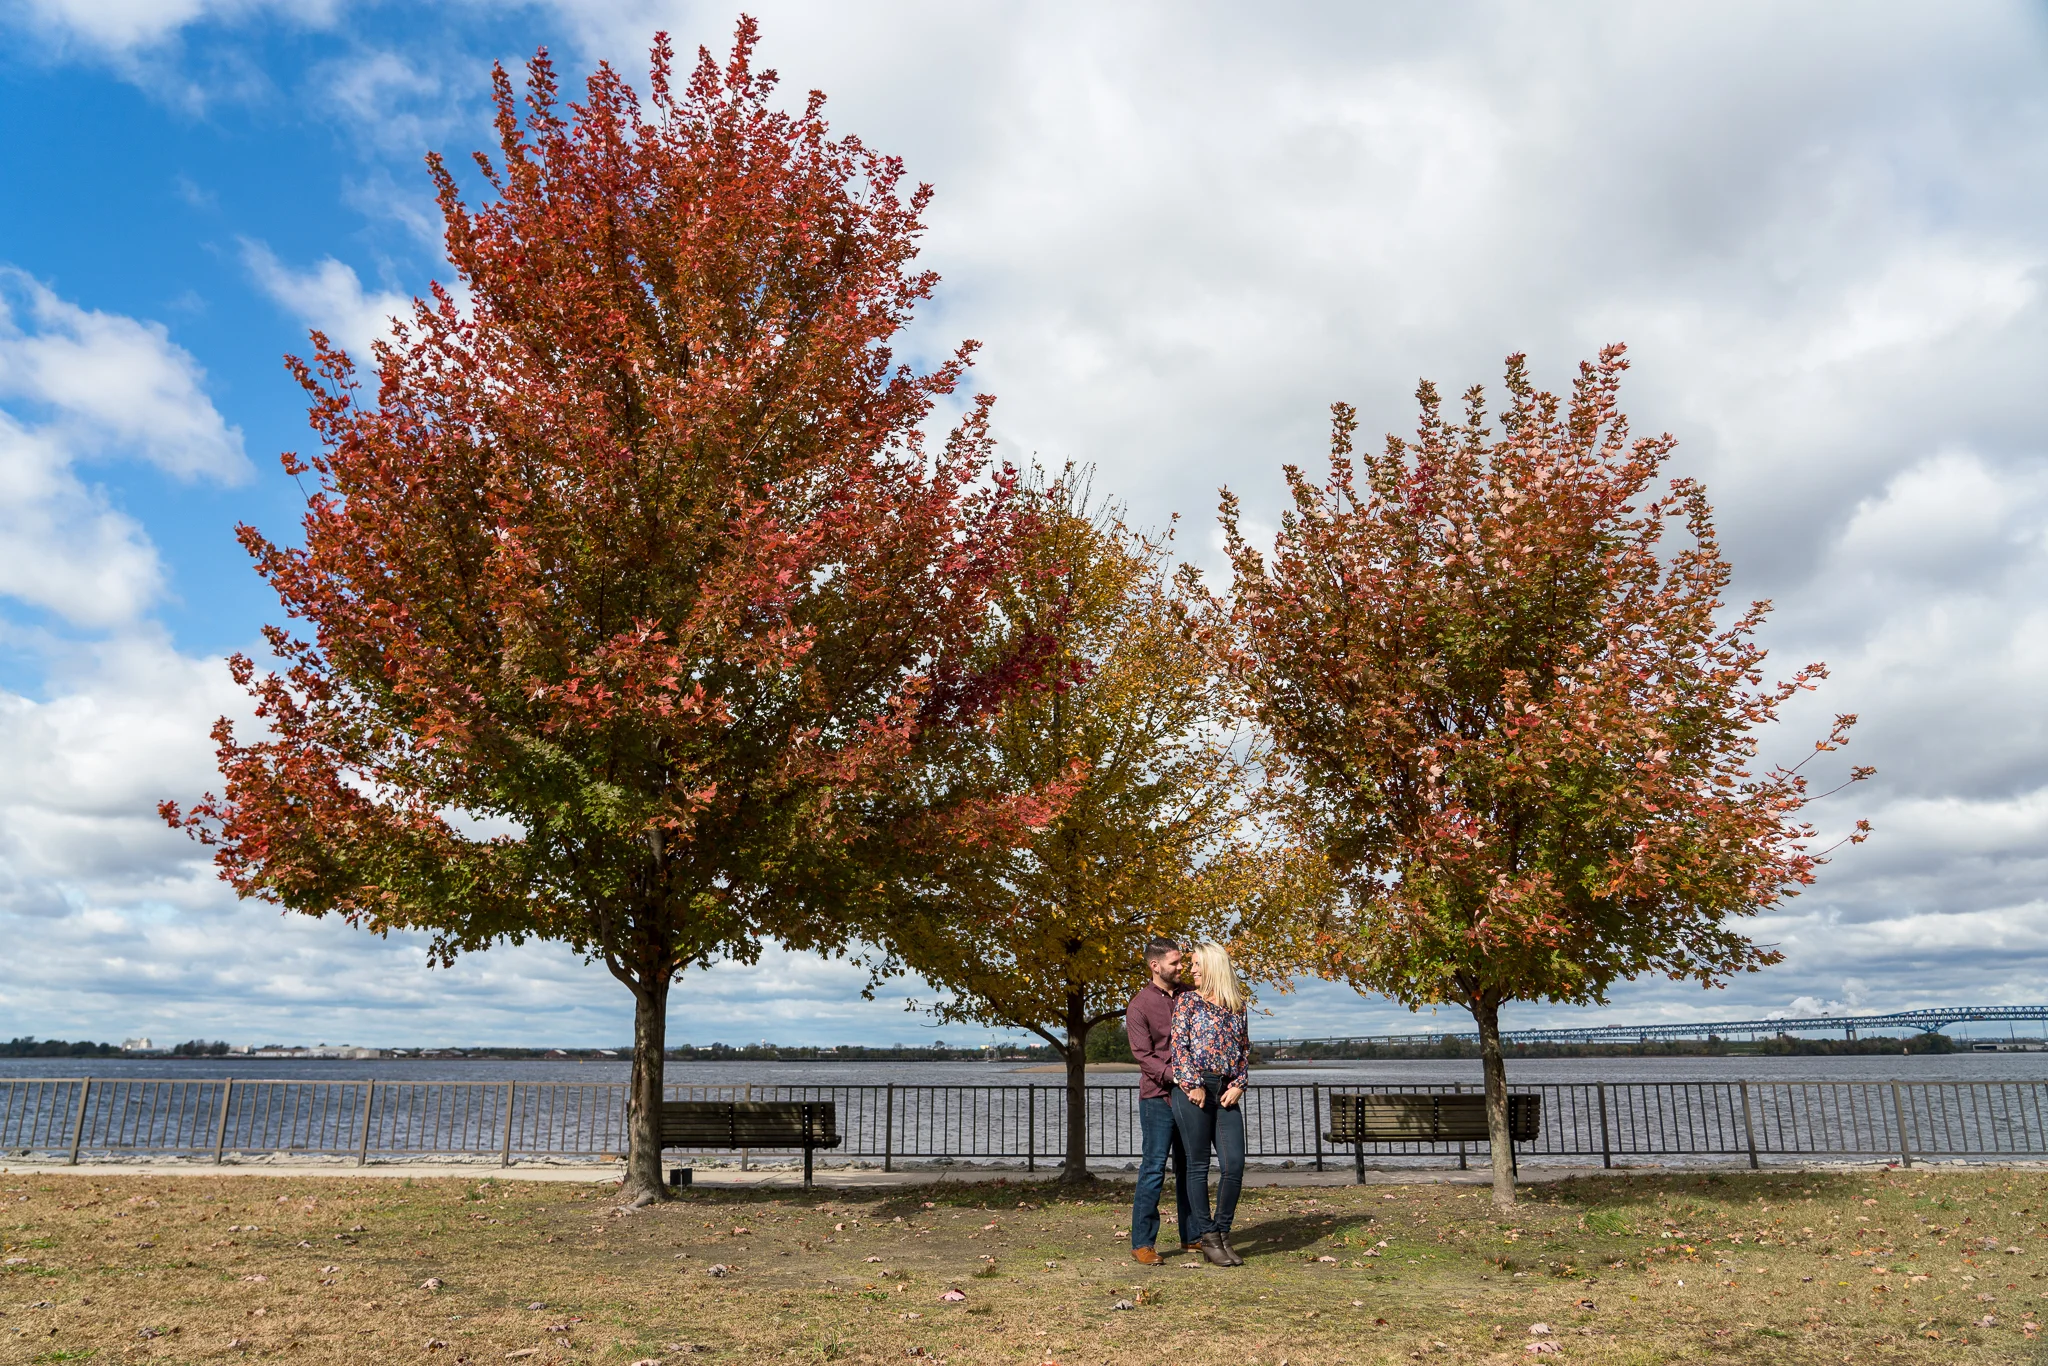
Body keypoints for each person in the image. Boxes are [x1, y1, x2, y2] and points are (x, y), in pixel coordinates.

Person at [1171, 941, 1250, 1267]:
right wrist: (1193, 1084)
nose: (1191, 970)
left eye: (1196, 964)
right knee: (1198, 1166)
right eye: (1190, 964)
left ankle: (1223, 1234)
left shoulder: (1237, 1006)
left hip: (1226, 1092)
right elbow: (1179, 1048)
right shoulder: (1187, 1002)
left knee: (1234, 1164)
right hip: (1194, 1091)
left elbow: (1244, 1051)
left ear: (1213, 966)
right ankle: (1207, 1237)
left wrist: (1240, 1084)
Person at [1125, 937, 1194, 1265]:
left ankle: (1192, 1236)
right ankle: (1143, 1244)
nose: (1181, 967)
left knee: (1190, 1167)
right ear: (1155, 966)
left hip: (1192, 1095)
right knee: (1153, 1168)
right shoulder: (1139, 1005)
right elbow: (1143, 1056)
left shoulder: (1190, 997)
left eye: (1182, 962)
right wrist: (1176, 1077)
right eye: (1175, 963)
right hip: (1157, 1098)